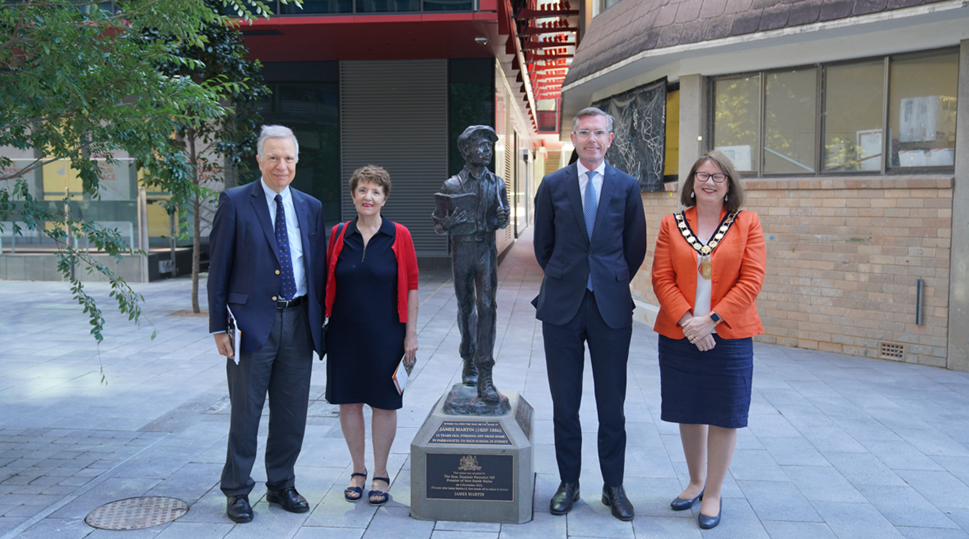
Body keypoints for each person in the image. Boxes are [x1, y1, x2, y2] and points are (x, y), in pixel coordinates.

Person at [532, 107, 647, 521]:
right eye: (584, 133)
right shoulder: (552, 185)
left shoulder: (626, 186)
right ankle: (569, 482)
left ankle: (613, 486)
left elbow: (634, 248)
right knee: (565, 404)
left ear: (610, 139)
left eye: (599, 133)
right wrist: (570, 276)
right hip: (561, 307)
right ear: (574, 138)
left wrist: (608, 279)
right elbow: (543, 246)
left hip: (610, 308)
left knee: (611, 405)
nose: (592, 140)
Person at [207, 125, 327, 523]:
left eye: (289, 157)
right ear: (259, 160)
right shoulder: (236, 202)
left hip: (299, 321)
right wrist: (218, 327)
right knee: (246, 412)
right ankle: (237, 490)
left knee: (292, 412)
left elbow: (318, 266)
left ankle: (281, 484)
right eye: (273, 157)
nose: (282, 165)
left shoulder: (310, 206)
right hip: (250, 326)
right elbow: (218, 269)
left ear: (297, 161)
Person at [651, 150, 766, 530]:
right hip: (680, 333)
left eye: (718, 177)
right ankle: (695, 481)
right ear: (692, 181)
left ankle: (713, 491)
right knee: (690, 410)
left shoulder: (747, 223)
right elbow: (661, 278)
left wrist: (711, 322)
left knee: (723, 414)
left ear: (729, 184)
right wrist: (688, 322)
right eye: (703, 175)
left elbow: (751, 280)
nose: (709, 182)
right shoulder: (672, 223)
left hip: (728, 336)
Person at [325, 165, 419, 506]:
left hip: (386, 334)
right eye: (362, 190)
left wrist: (410, 335)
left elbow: (411, 286)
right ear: (353, 195)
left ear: (384, 198)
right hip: (344, 335)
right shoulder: (338, 235)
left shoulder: (400, 235)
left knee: (384, 404)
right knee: (349, 403)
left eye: (375, 191)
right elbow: (326, 283)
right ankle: (358, 470)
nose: (368, 196)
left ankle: (380, 473)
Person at [431, 125, 509, 403]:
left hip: (486, 249)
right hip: (461, 251)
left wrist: (502, 219)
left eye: (489, 146)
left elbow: (504, 218)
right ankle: (469, 357)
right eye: (480, 145)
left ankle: (485, 370)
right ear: (465, 150)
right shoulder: (452, 185)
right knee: (466, 308)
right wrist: (446, 224)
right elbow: (438, 223)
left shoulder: (497, 184)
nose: (486, 150)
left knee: (487, 306)